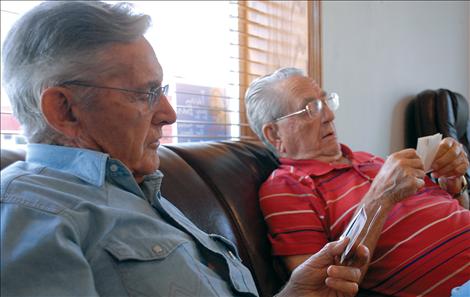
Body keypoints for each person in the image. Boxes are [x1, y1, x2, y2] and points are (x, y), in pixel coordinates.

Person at [0, 2, 370, 297]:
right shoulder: (29, 213)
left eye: (162, 91)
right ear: (64, 109)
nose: (168, 114)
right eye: (145, 93)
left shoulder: (139, 187)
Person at [245, 67, 470, 297]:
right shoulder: (286, 187)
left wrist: (455, 184)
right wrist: (380, 197)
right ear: (275, 134)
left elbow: (458, 214)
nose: (330, 116)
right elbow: (322, 288)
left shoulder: (370, 159)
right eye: (311, 108)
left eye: (326, 101)